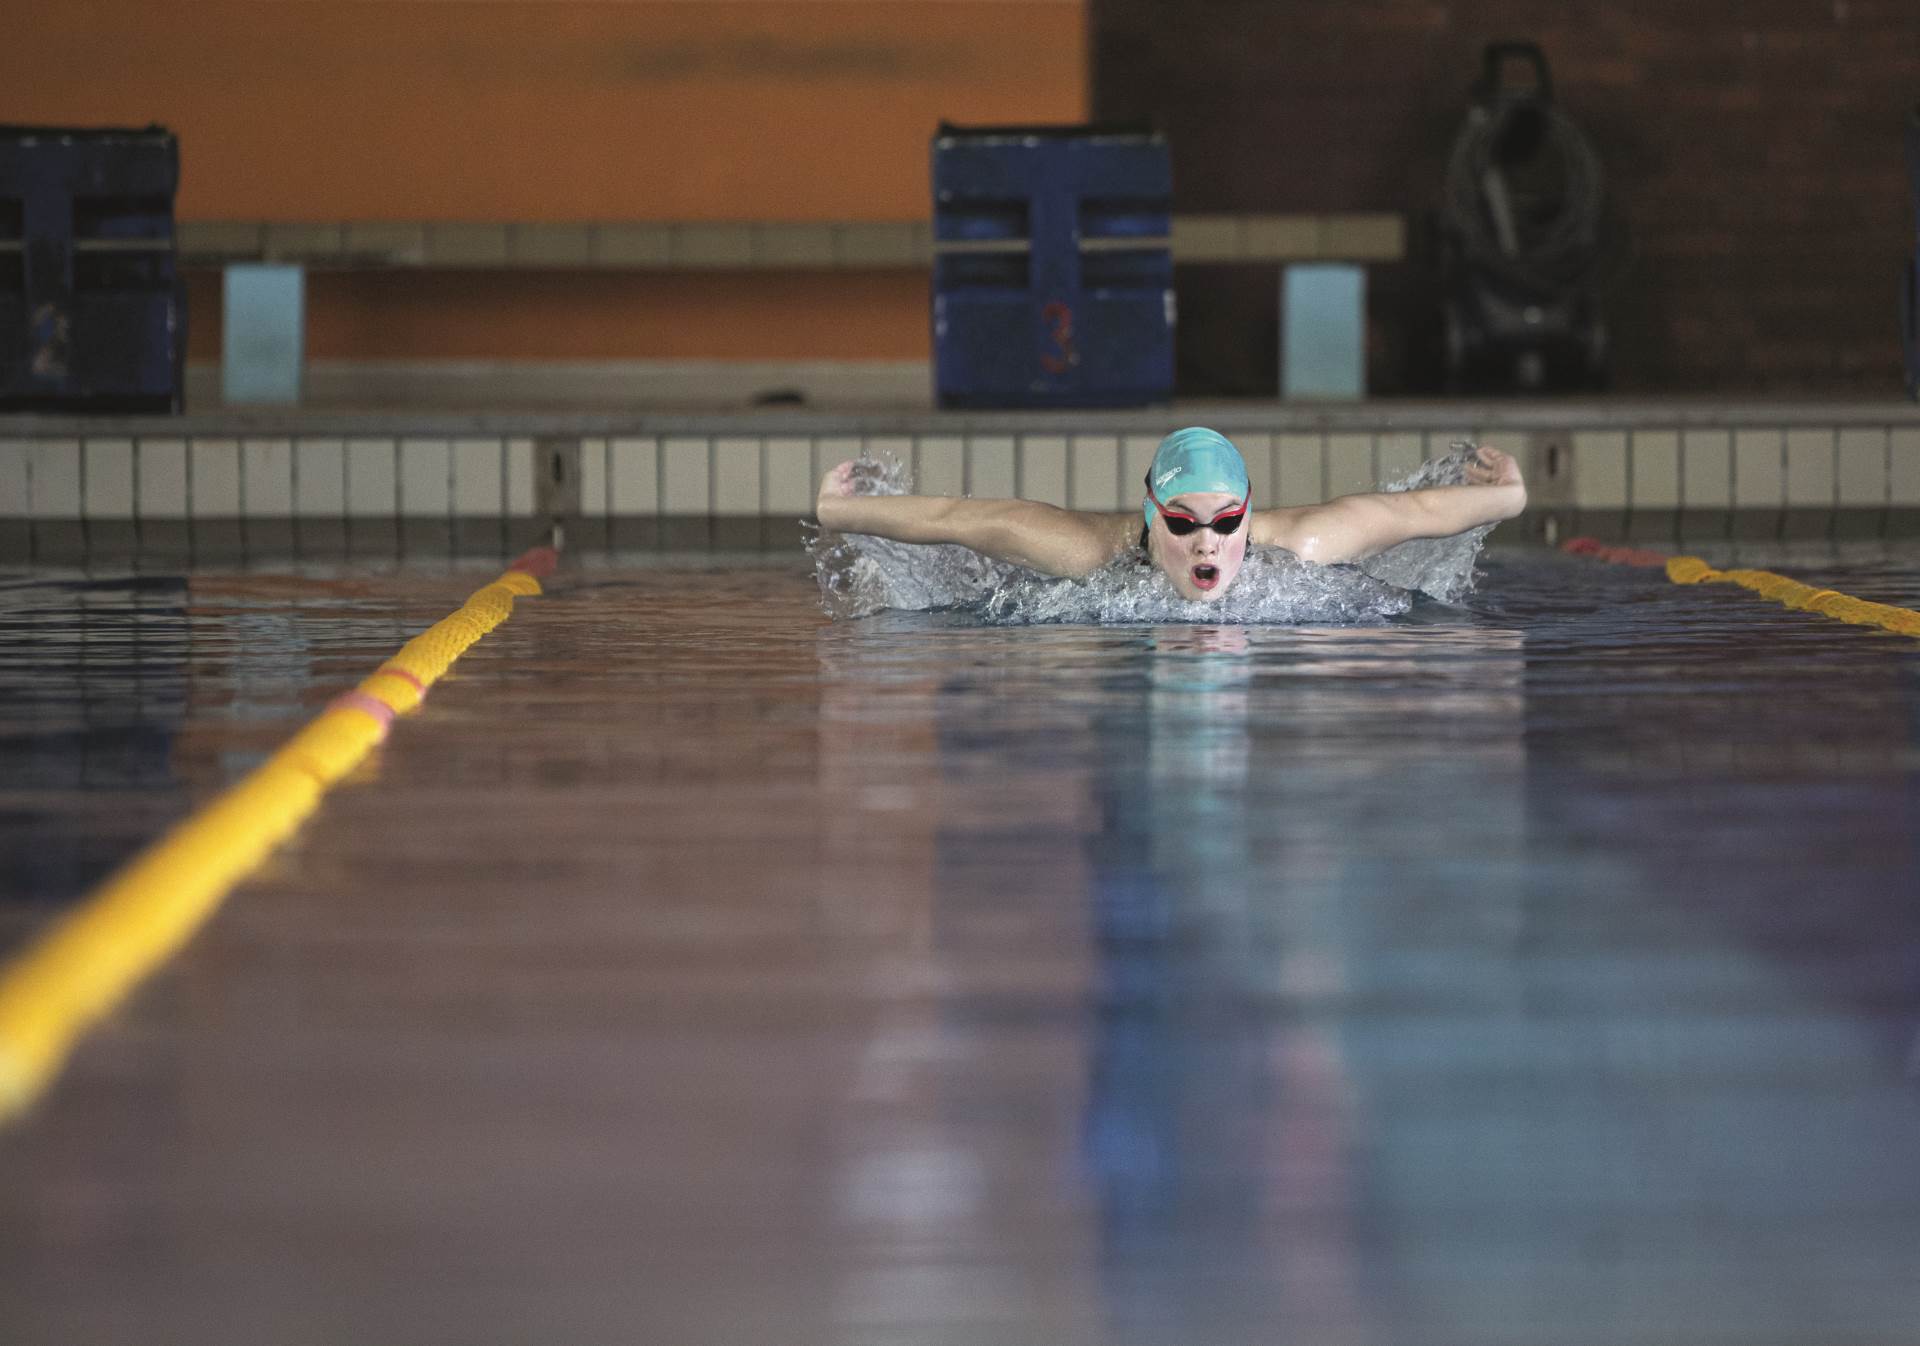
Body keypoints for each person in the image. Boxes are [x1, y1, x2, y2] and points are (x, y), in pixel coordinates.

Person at [814, 427, 1527, 604]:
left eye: (1225, 522)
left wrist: (1510, 495)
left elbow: (1420, 511)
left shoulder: (1306, 544)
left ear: (1251, 518)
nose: (1207, 541)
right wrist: (842, 513)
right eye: (1183, 524)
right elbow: (953, 517)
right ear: (1151, 519)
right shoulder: (1085, 552)